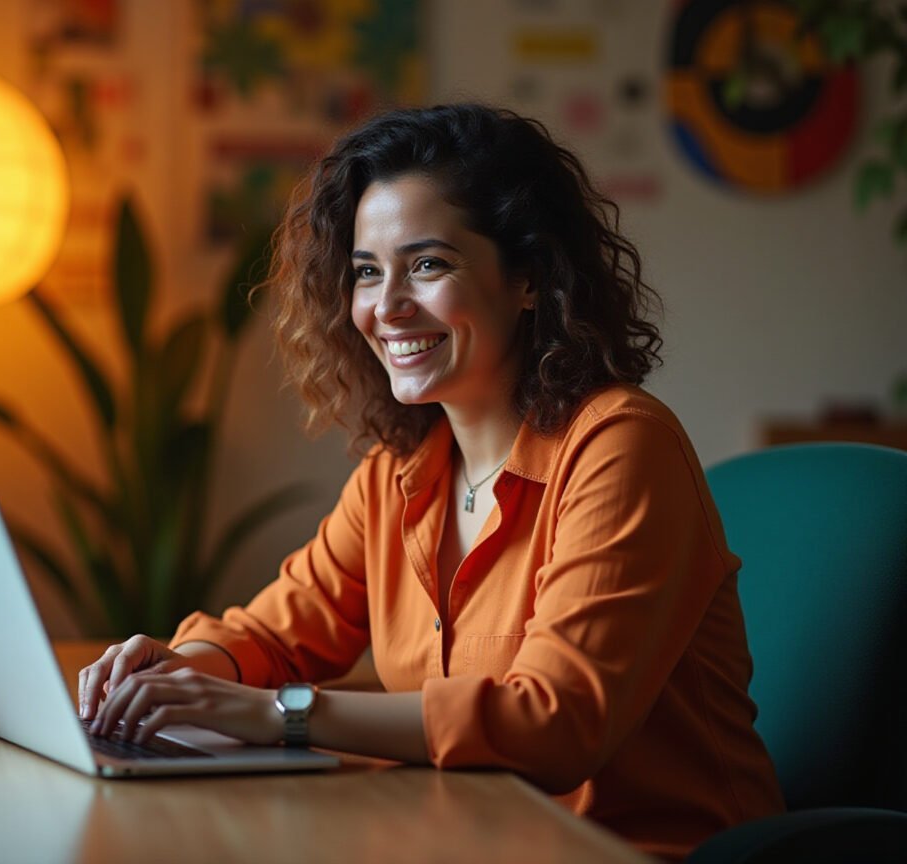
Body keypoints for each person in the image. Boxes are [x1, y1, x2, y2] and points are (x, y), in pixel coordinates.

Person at [77, 104, 783, 860]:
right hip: (467, 840)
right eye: (367, 272)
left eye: (427, 265)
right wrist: (179, 673)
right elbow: (276, 633)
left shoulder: (620, 446)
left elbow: (555, 724)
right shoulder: (402, 472)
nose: (386, 307)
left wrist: (278, 714)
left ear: (529, 278)